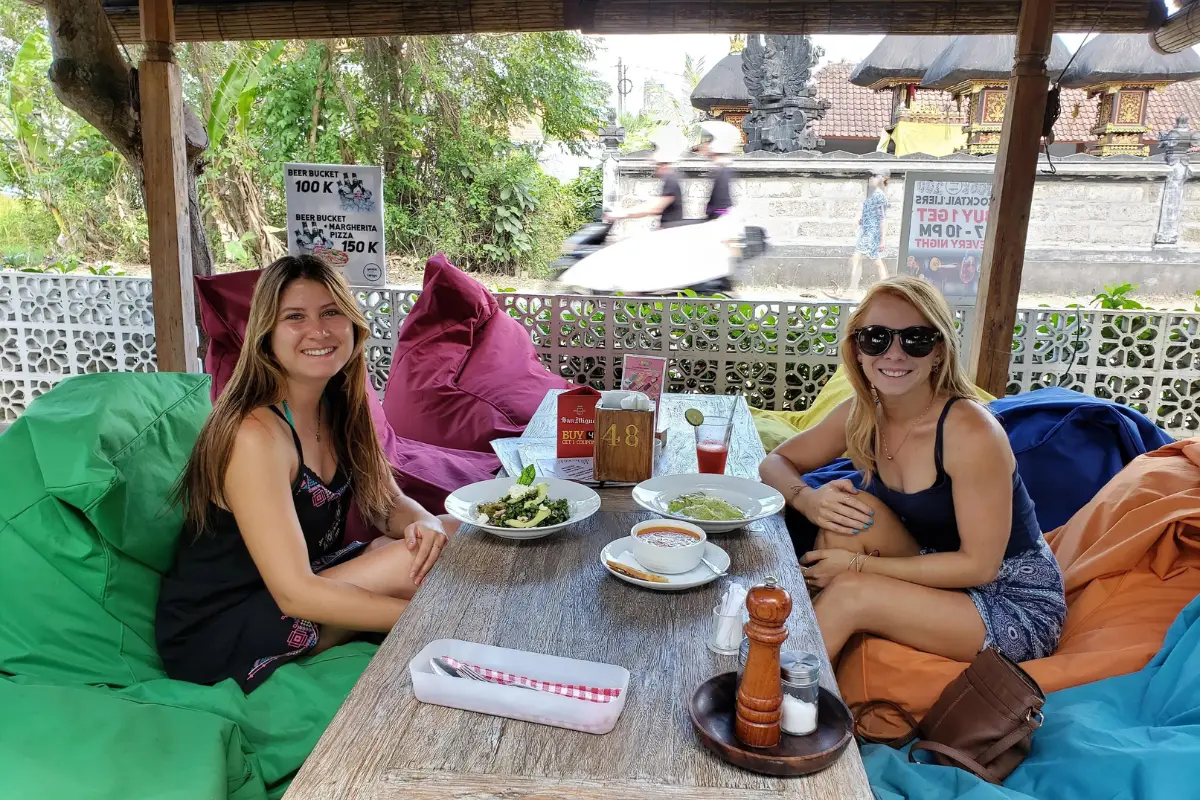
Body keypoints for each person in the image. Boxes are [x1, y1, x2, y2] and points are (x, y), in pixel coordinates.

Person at [156, 255, 455, 692]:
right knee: (426, 568)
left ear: (352, 323)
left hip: (307, 584)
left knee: (451, 532)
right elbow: (294, 593)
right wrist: (432, 616)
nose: (319, 331)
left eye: (331, 312)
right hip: (227, 626)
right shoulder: (255, 434)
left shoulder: (337, 408)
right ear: (266, 335)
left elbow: (388, 505)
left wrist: (424, 523)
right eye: (295, 317)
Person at [759, 276, 1065, 665]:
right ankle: (818, 661)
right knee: (845, 518)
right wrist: (810, 501)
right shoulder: (864, 413)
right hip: (934, 566)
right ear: (856, 347)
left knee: (852, 591)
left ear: (938, 351)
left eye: (915, 339)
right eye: (876, 338)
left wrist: (858, 567)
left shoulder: (970, 433)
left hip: (1009, 600)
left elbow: (980, 566)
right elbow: (775, 462)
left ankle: (769, 695)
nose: (895, 354)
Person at [605, 129, 687, 229]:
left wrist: (622, 213)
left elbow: (654, 208)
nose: (652, 164)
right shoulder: (669, 178)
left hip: (671, 233)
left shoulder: (671, 179)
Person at [849, 171, 891, 294]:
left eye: (874, 176)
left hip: (872, 233)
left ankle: (853, 287)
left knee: (859, 258)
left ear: (882, 178)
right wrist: (863, 220)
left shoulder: (879, 197)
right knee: (874, 261)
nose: (871, 179)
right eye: (871, 176)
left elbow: (883, 218)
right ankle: (886, 287)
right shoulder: (874, 195)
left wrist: (883, 239)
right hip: (868, 231)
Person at [697, 120, 740, 220]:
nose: (704, 146)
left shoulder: (723, 171)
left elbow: (722, 207)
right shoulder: (720, 168)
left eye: (708, 142)